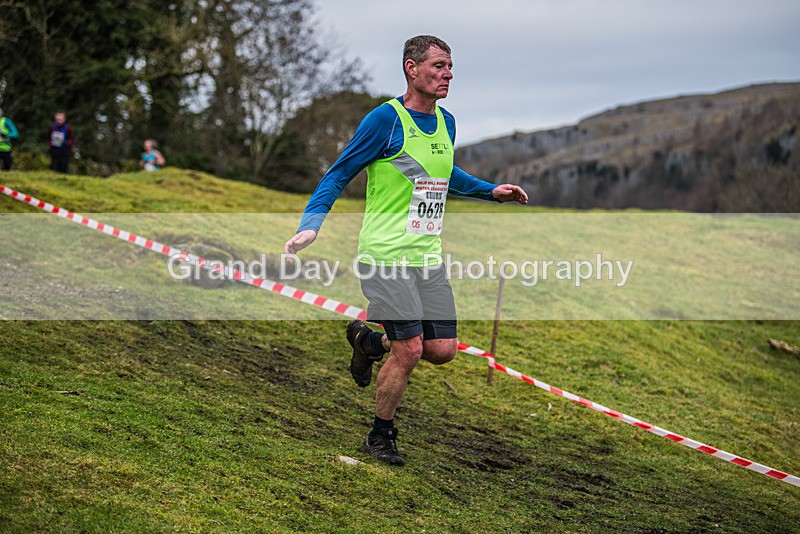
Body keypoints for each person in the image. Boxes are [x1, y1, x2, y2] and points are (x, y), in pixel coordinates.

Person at [284, 35, 528, 466]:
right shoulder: (385, 120)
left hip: (426, 257)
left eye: (451, 67)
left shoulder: (448, 122)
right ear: (411, 69)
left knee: (442, 350)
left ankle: (367, 340)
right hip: (385, 255)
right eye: (438, 66)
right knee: (411, 349)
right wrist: (310, 226)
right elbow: (338, 174)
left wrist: (492, 191)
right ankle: (380, 436)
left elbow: (442, 174)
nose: (447, 74)